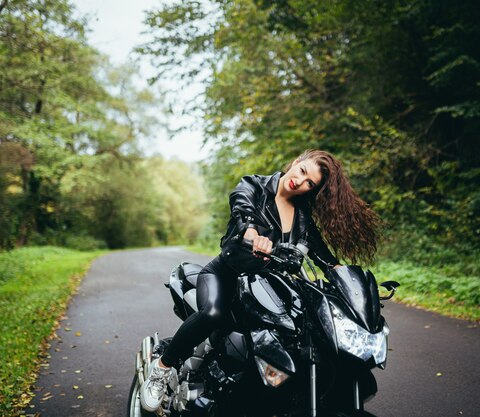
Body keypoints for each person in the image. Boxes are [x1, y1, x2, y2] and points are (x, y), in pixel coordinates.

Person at [140, 149, 381, 412]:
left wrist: (354, 287)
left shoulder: (303, 219)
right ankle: (162, 368)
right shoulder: (254, 185)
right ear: (296, 162)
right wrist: (252, 233)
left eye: (309, 182)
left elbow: (327, 260)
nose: (300, 181)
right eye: (302, 172)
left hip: (266, 291)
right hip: (226, 275)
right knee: (213, 313)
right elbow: (243, 210)